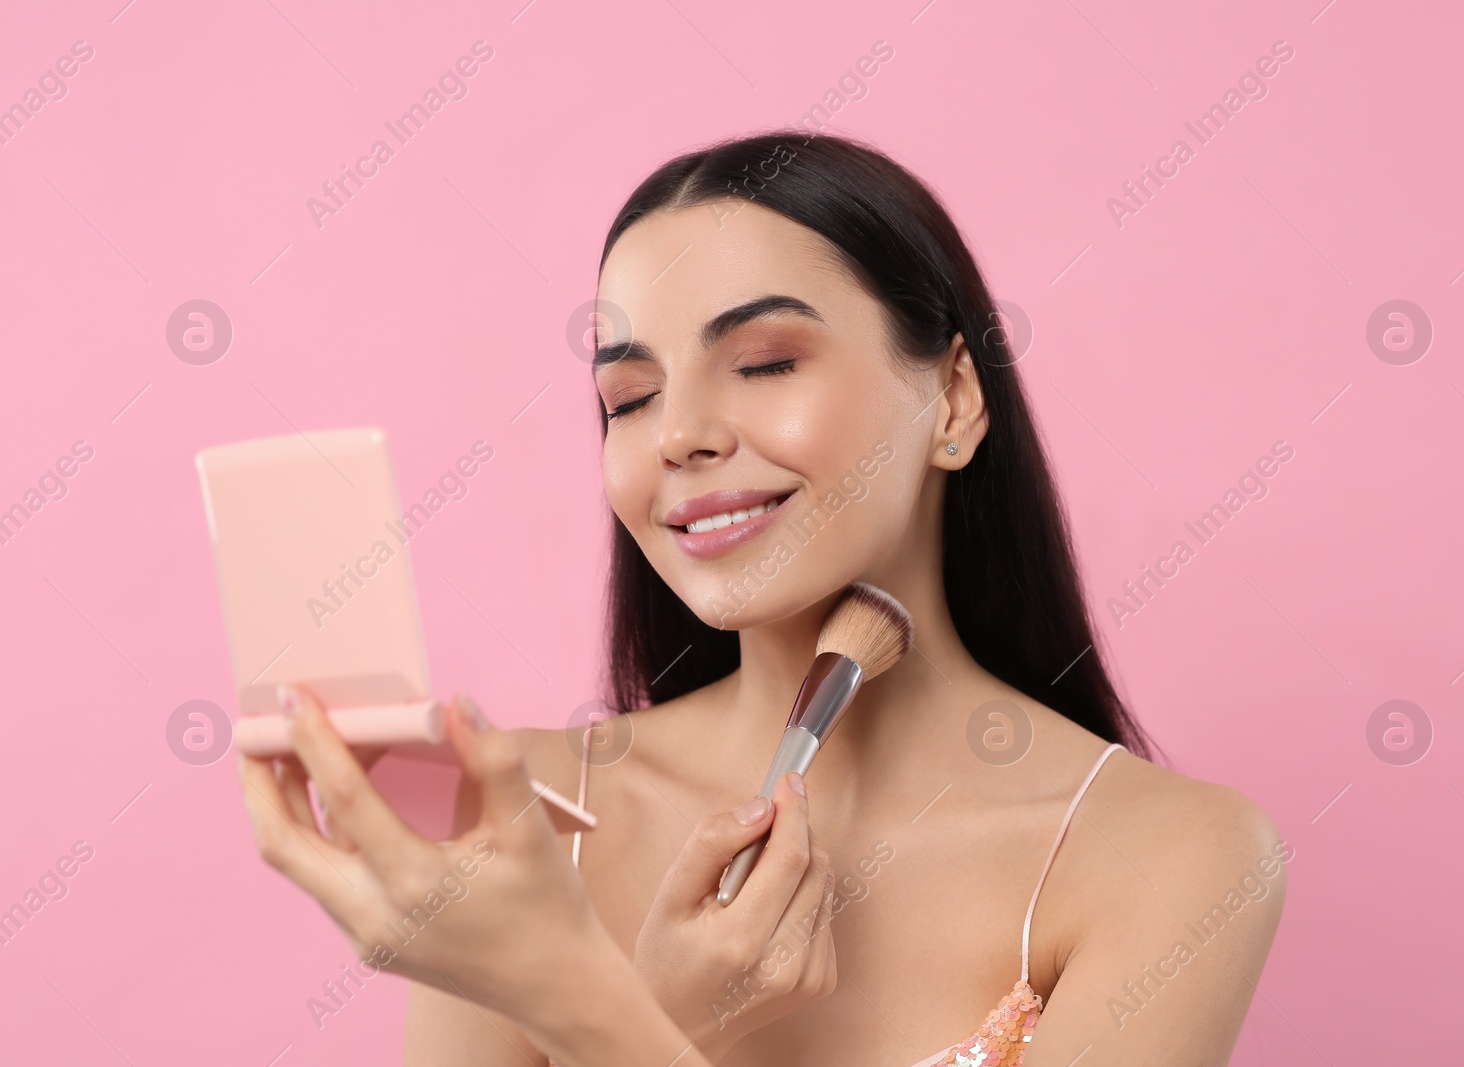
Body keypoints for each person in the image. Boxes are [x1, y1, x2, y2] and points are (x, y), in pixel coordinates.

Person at [242, 131, 1287, 1066]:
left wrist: (594, 1010)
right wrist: (659, 1015)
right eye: (630, 396)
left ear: (956, 401)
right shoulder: (523, 815)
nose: (679, 432)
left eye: (764, 361)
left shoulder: (1168, 859)